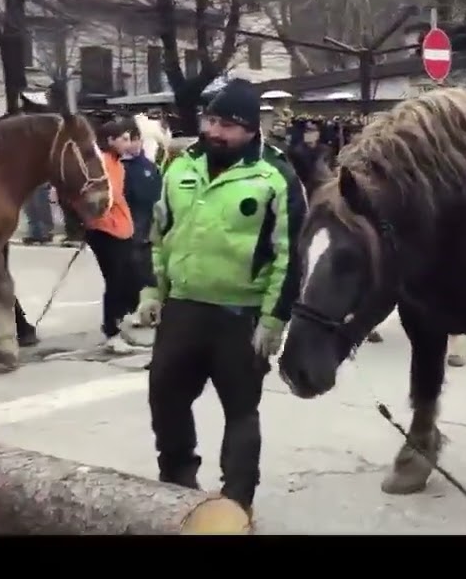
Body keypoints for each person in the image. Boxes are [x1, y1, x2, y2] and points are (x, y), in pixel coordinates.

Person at [136, 78, 306, 519]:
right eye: (212, 120)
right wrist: (153, 289)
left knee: (240, 409)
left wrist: (274, 319)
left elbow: (291, 256)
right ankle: (177, 480)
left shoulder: (276, 176)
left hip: (241, 315)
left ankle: (236, 502)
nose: (215, 131)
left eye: (228, 125)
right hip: (185, 307)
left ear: (251, 130)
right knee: (165, 395)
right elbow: (159, 234)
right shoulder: (181, 167)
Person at [86, 119, 141, 355]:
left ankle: (118, 322)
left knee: (126, 279)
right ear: (110, 140)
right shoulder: (101, 165)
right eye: (124, 139)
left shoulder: (119, 164)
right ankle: (112, 331)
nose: (128, 144)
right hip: (105, 229)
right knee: (115, 281)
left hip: (122, 228)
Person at [122, 123, 163, 327]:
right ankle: (131, 310)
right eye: (126, 139)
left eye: (132, 139)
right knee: (130, 272)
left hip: (147, 224)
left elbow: (157, 196)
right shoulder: (118, 167)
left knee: (148, 271)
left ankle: (149, 310)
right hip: (127, 226)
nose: (129, 144)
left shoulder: (149, 166)